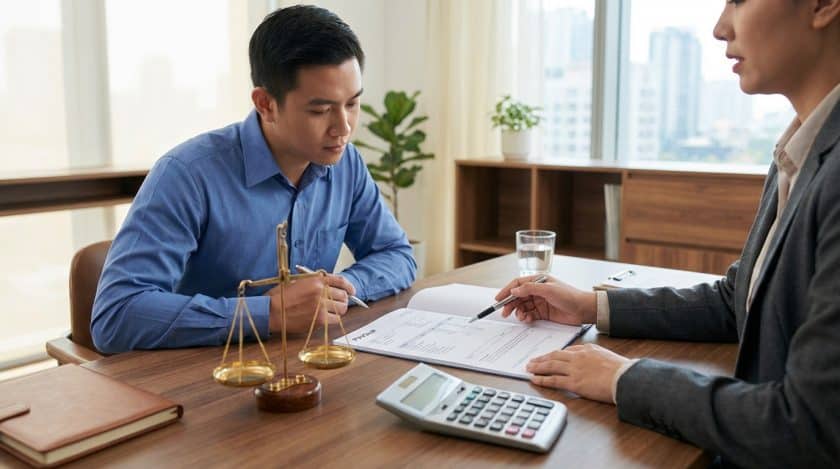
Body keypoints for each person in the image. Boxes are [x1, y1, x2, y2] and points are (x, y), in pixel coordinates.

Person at [496, 0, 840, 466]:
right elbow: (735, 302)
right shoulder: (803, 147)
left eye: (738, 0)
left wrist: (625, 378)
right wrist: (589, 305)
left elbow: (808, 426)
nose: (721, 28)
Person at [91, 5, 416, 353]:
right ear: (265, 104)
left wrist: (341, 289)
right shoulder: (187, 174)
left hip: (301, 365)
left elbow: (397, 255)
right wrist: (268, 313)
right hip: (207, 375)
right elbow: (116, 316)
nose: (344, 128)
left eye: (352, 104)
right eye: (320, 111)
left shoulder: (345, 163)